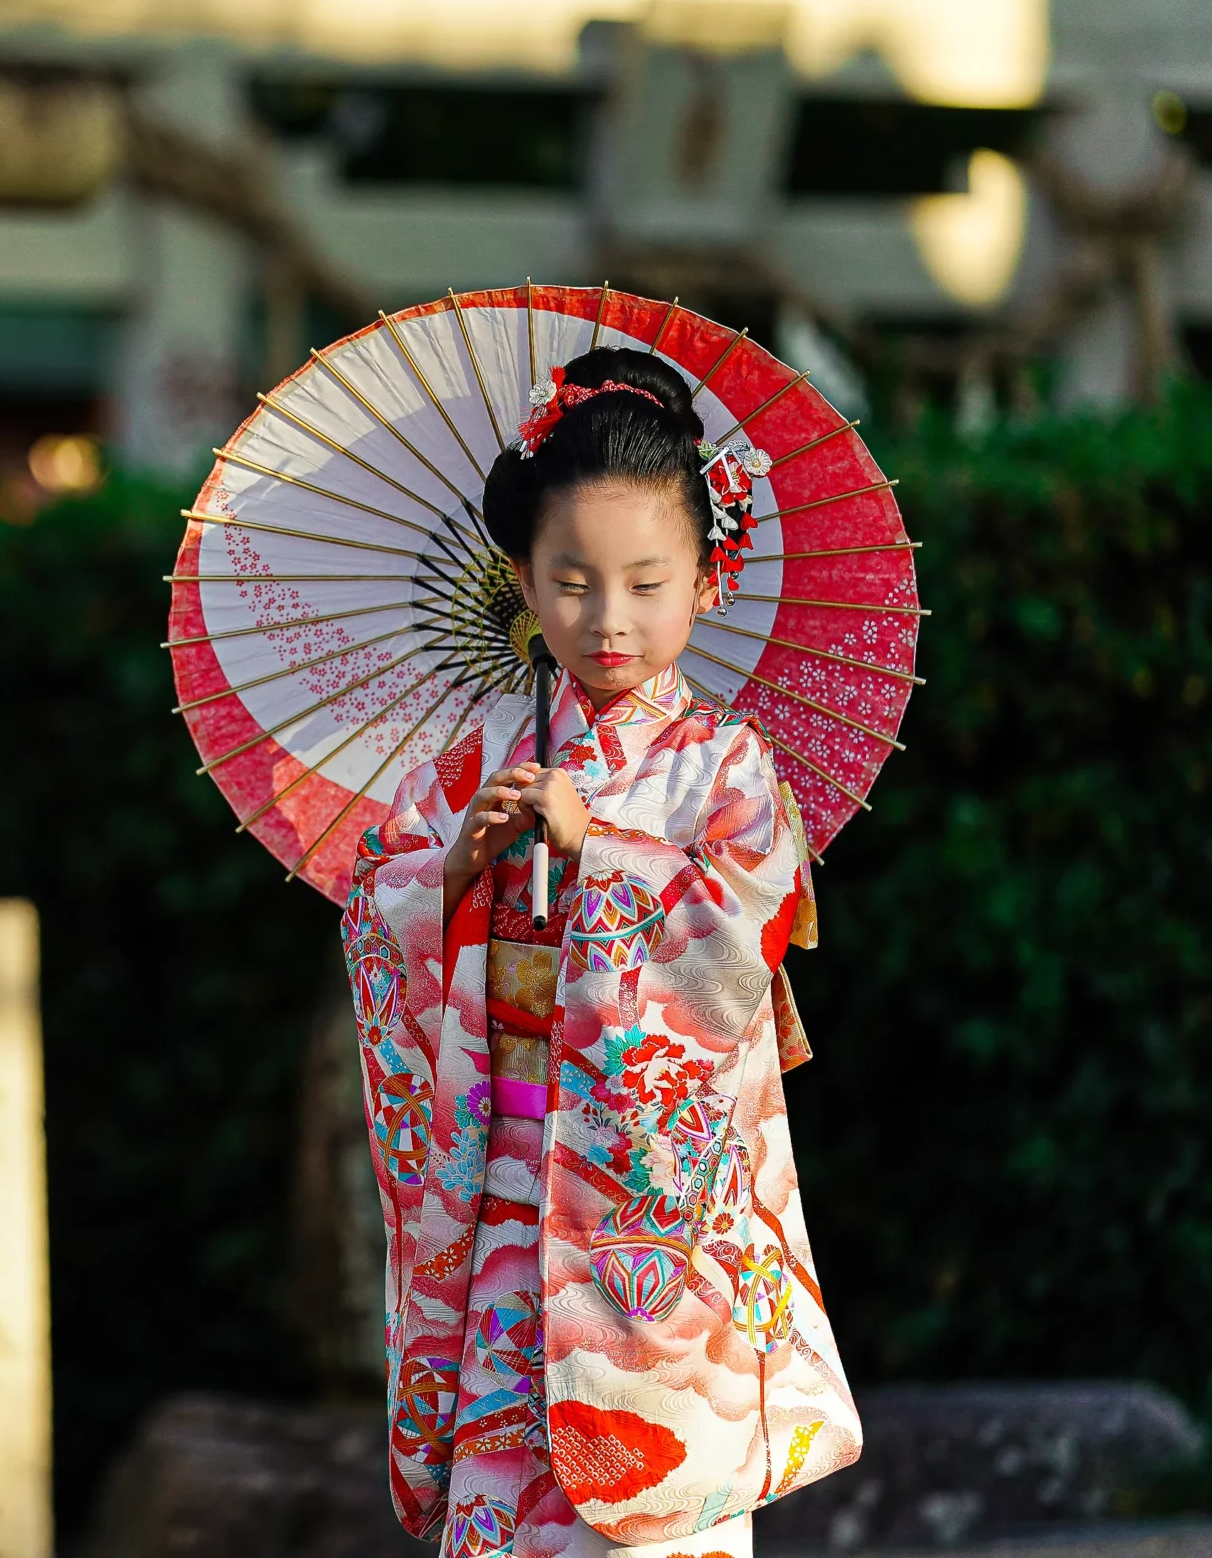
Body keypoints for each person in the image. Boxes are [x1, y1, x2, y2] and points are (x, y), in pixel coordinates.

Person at [339, 347, 860, 1558]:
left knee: (654, 1530)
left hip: (651, 1236)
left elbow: (733, 956)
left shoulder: (727, 770)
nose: (607, 617)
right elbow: (380, 910)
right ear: (522, 578)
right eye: (571, 581)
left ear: (705, 580)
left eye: (644, 581)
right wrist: (449, 873)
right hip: (507, 1199)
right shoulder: (475, 764)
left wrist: (599, 855)